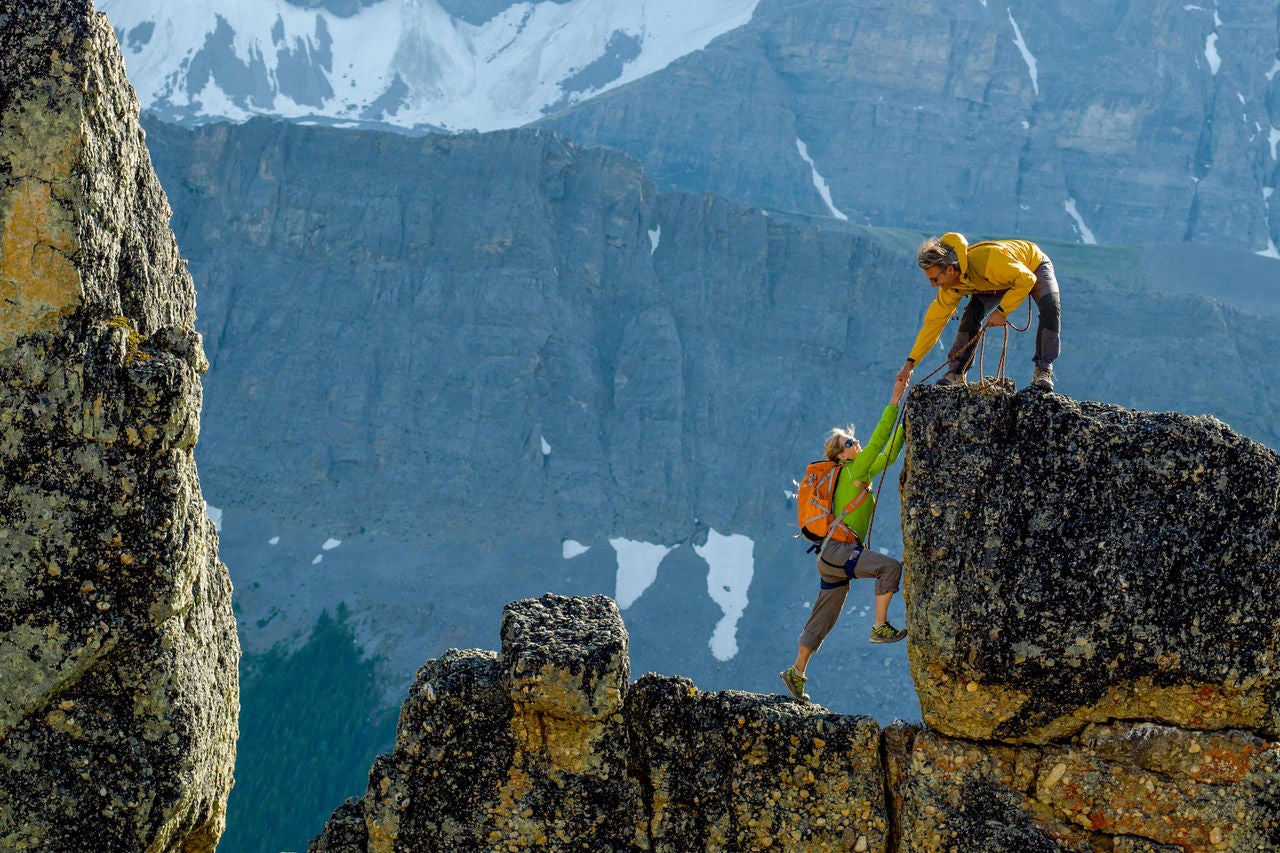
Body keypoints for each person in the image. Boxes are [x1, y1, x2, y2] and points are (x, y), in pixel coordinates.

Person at [779, 377, 909, 704]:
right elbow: (882, 441)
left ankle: (796, 671)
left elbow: (889, 452)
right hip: (840, 552)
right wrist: (895, 402)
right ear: (843, 454)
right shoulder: (854, 469)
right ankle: (879, 626)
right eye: (850, 441)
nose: (856, 441)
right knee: (890, 569)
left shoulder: (856, 473)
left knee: (824, 616)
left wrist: (908, 428)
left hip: (830, 557)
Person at [894, 232, 1061, 391]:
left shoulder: (988, 260)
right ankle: (956, 374)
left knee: (1051, 308)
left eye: (935, 279)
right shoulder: (951, 288)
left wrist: (1002, 311)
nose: (933, 285)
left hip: (1033, 266)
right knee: (971, 315)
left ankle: (1044, 370)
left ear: (950, 270)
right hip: (994, 282)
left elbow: (1027, 279)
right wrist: (910, 364)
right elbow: (933, 325)